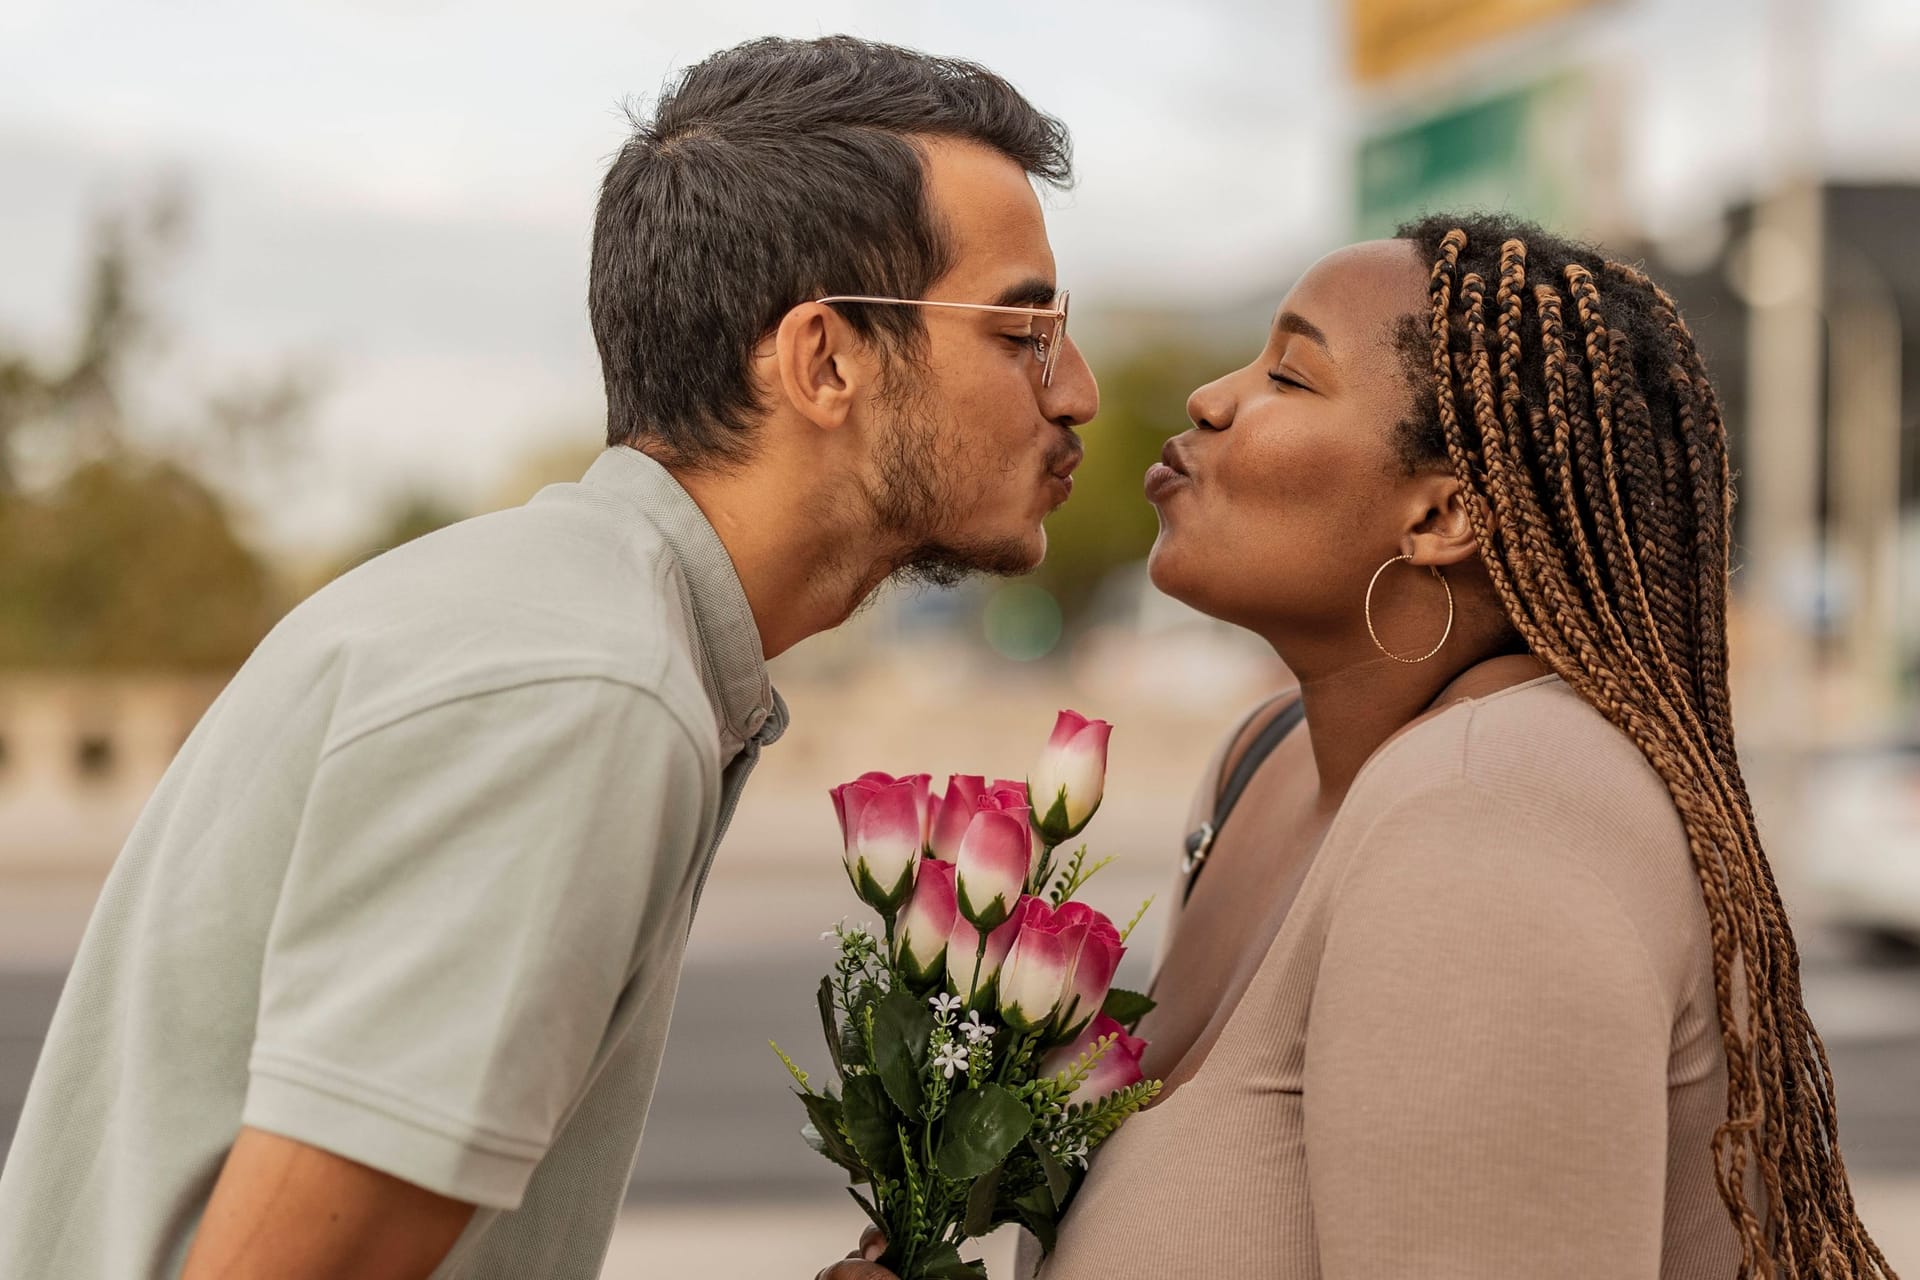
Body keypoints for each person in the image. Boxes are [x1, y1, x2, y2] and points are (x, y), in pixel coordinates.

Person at [0, 34, 1095, 1280]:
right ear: (825, 357)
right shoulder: (587, 690)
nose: (1080, 394)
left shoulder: (562, 624)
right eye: (1025, 329)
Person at [826, 214, 1895, 1280]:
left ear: (1439, 516)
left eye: (1290, 375)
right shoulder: (1266, 760)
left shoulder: (1492, 813)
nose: (1210, 397)